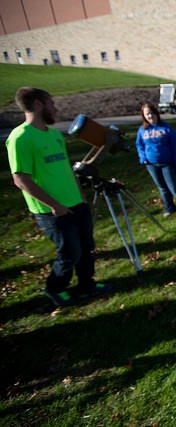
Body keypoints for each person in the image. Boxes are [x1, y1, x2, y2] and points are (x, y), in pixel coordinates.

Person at [5, 87, 113, 307]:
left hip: (76, 203)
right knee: (70, 252)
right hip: (53, 211)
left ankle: (86, 286)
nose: (55, 108)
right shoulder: (20, 138)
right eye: (51, 103)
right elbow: (20, 179)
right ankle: (55, 288)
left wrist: (81, 196)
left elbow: (66, 170)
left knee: (86, 247)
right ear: (38, 104)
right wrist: (54, 205)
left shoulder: (54, 135)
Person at [135, 103, 176, 218]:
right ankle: (170, 208)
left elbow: (175, 147)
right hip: (151, 164)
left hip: (167, 163)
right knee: (162, 188)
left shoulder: (166, 128)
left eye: (152, 113)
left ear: (156, 113)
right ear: (144, 116)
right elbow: (139, 145)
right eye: (147, 114)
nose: (150, 116)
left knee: (174, 187)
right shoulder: (142, 130)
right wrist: (143, 158)